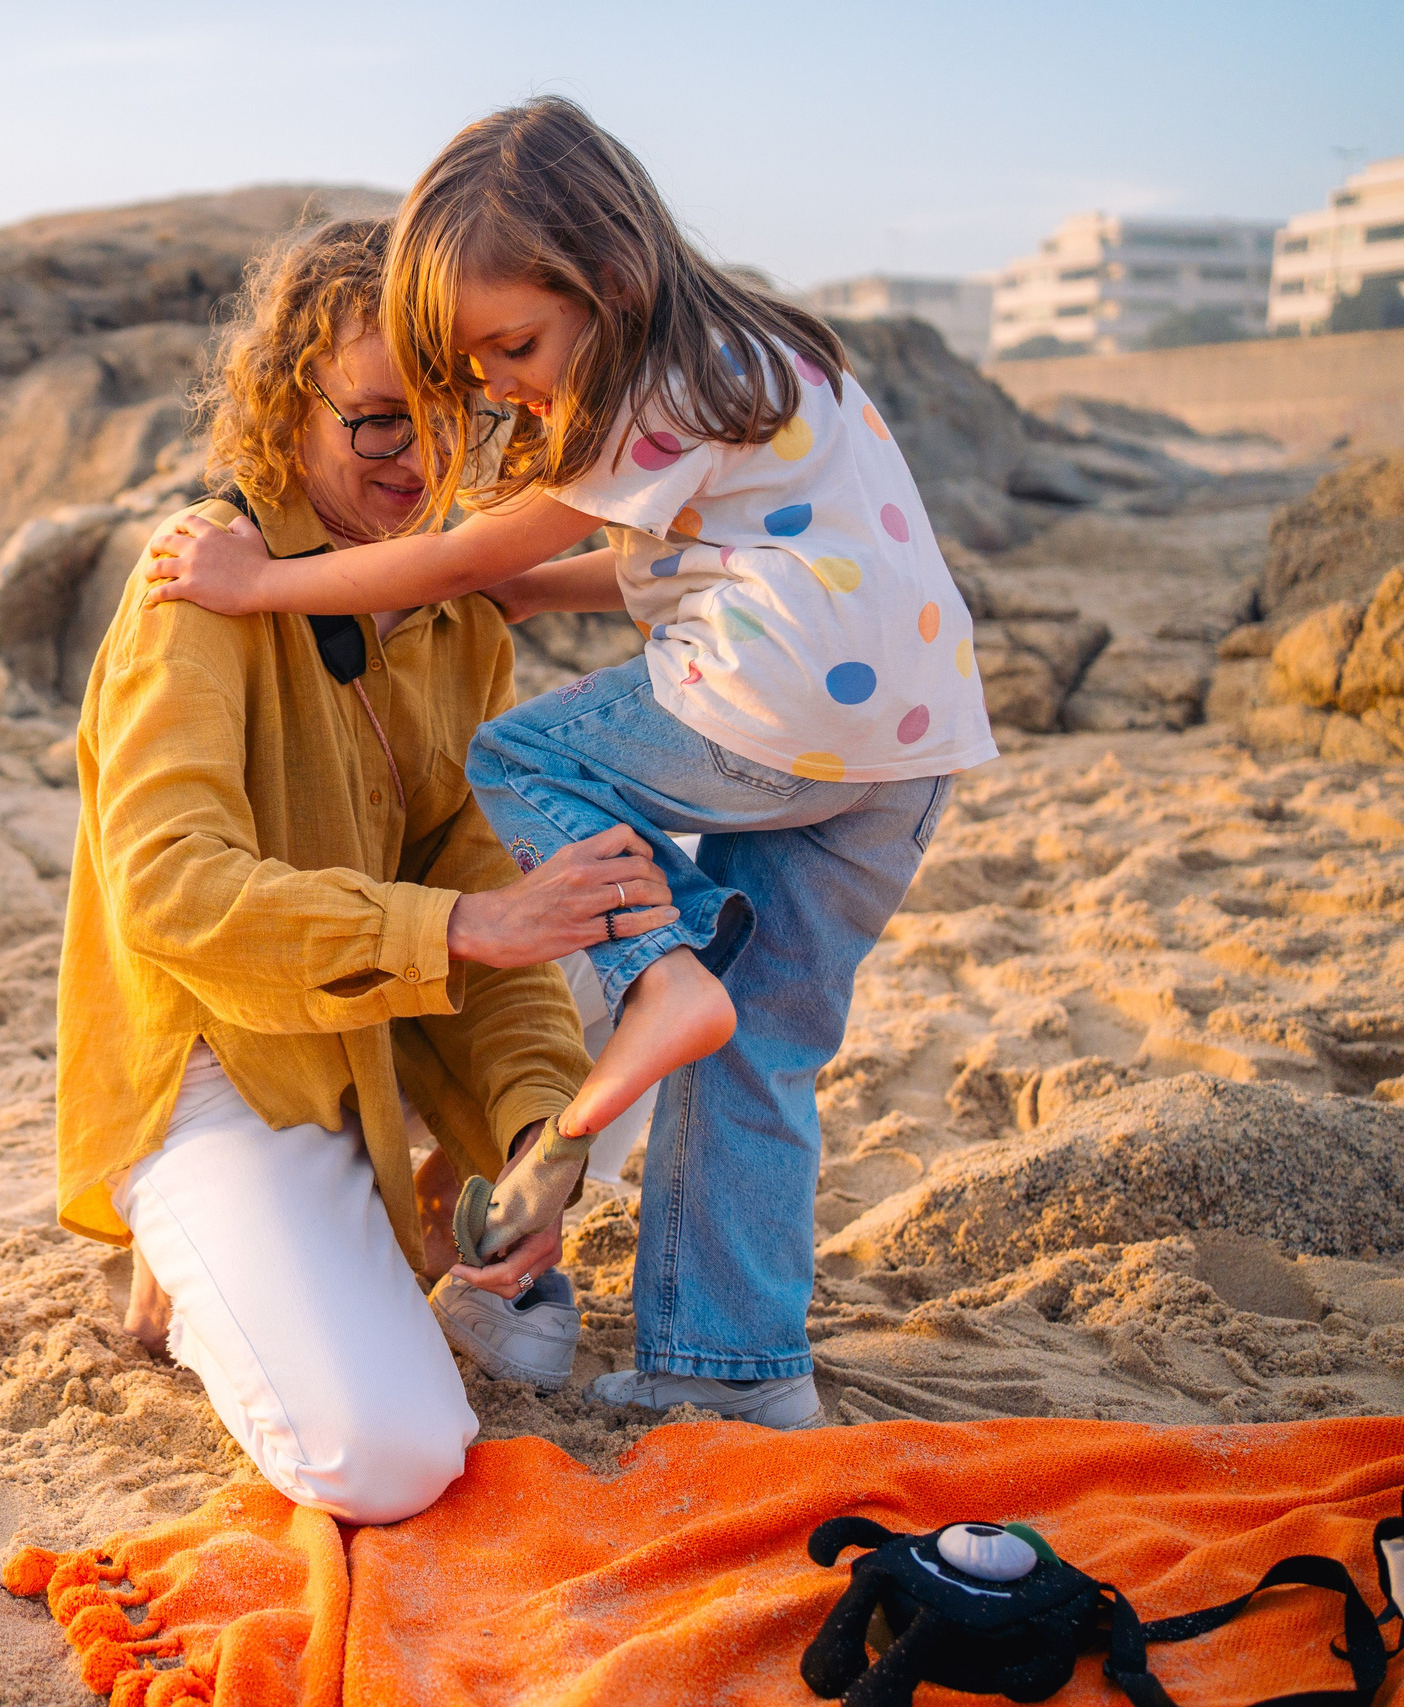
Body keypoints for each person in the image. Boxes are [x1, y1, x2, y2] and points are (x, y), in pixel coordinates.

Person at [145, 100, 989, 1431]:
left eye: (513, 348)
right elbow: (706, 558)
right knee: (762, 1045)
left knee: (522, 756)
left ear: (611, 272)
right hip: (908, 745)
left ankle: (658, 984)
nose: (497, 391)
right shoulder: (763, 354)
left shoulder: (641, 390)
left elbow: (456, 560)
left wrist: (264, 585)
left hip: (776, 714)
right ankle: (740, 1375)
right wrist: (554, 596)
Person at [56, 217, 680, 1525]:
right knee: (386, 1460)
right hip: (230, 1065)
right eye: (380, 423)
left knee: (669, 936)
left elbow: (481, 882)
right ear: (293, 401)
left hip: (374, 1042)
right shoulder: (198, 586)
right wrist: (459, 929)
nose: (423, 459)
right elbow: (170, 894)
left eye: (449, 415)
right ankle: (195, 1255)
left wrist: (530, 1136)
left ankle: (436, 1246)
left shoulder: (452, 613)